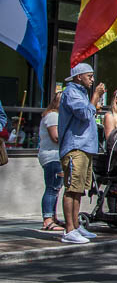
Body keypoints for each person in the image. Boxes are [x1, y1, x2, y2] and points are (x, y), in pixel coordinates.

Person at [58, 63, 105, 244]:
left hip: (85, 147)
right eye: (89, 76)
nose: (92, 80)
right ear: (79, 77)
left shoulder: (81, 93)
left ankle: (76, 225)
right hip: (75, 147)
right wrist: (95, 97)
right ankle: (69, 229)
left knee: (79, 189)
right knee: (72, 188)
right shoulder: (71, 92)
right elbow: (85, 114)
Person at [38, 93, 64, 231]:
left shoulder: (57, 116)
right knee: (52, 188)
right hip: (52, 157)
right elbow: (55, 137)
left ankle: (52, 217)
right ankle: (47, 220)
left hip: (56, 156)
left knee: (56, 188)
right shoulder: (53, 116)